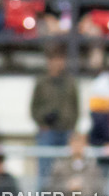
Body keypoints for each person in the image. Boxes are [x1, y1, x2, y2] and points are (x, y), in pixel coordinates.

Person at [30, 46, 79, 187]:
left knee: (66, 170)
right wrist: (42, 122)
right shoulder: (42, 82)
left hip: (66, 131)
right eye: (54, 60)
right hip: (47, 131)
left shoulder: (70, 82)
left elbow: (75, 108)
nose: (58, 63)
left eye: (60, 60)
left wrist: (72, 128)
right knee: (44, 170)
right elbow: (34, 107)